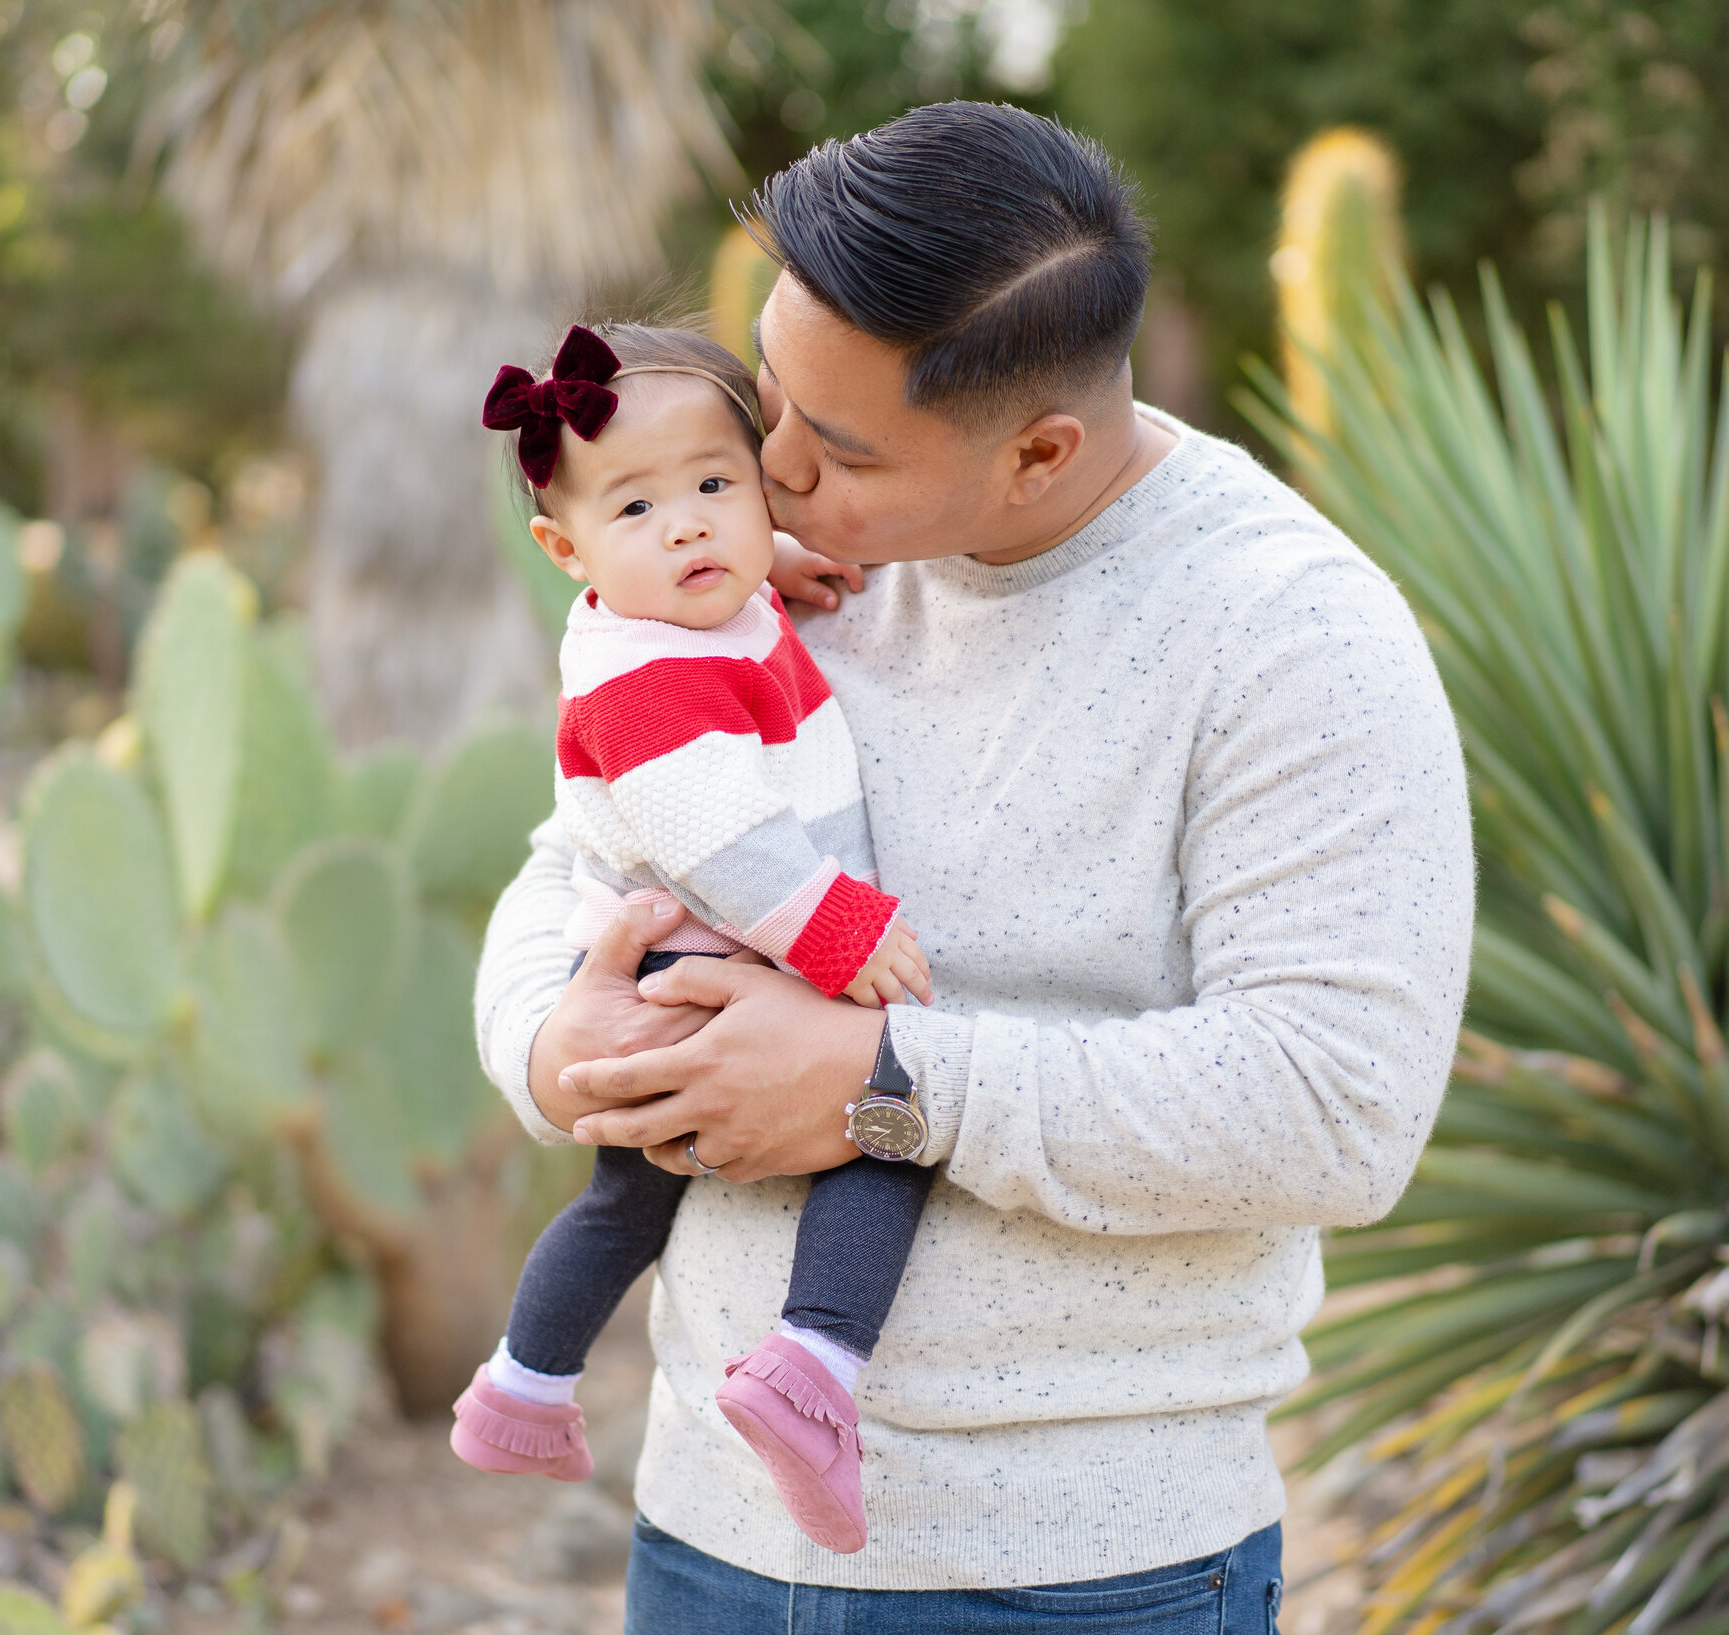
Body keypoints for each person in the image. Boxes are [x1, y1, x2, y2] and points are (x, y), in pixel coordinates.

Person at [475, 101, 1475, 1632]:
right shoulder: (748, 556)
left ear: (1042, 450)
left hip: (1082, 1572)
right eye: (768, 405)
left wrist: (885, 1081)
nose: (770, 474)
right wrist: (555, 1041)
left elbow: (1336, 1106)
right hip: (707, 1539)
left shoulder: (1294, 635)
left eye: (841, 448)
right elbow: (574, 857)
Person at [451, 321, 940, 1556]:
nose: (687, 528)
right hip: (704, 950)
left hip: (698, 945)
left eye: (716, 486)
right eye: (637, 509)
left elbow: (700, 548)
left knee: (629, 1200)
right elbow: (721, 838)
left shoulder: (685, 605)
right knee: (885, 1129)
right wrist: (843, 935)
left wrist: (762, 559)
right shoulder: (643, 676)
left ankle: (523, 1384)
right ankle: (811, 1365)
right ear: (564, 551)